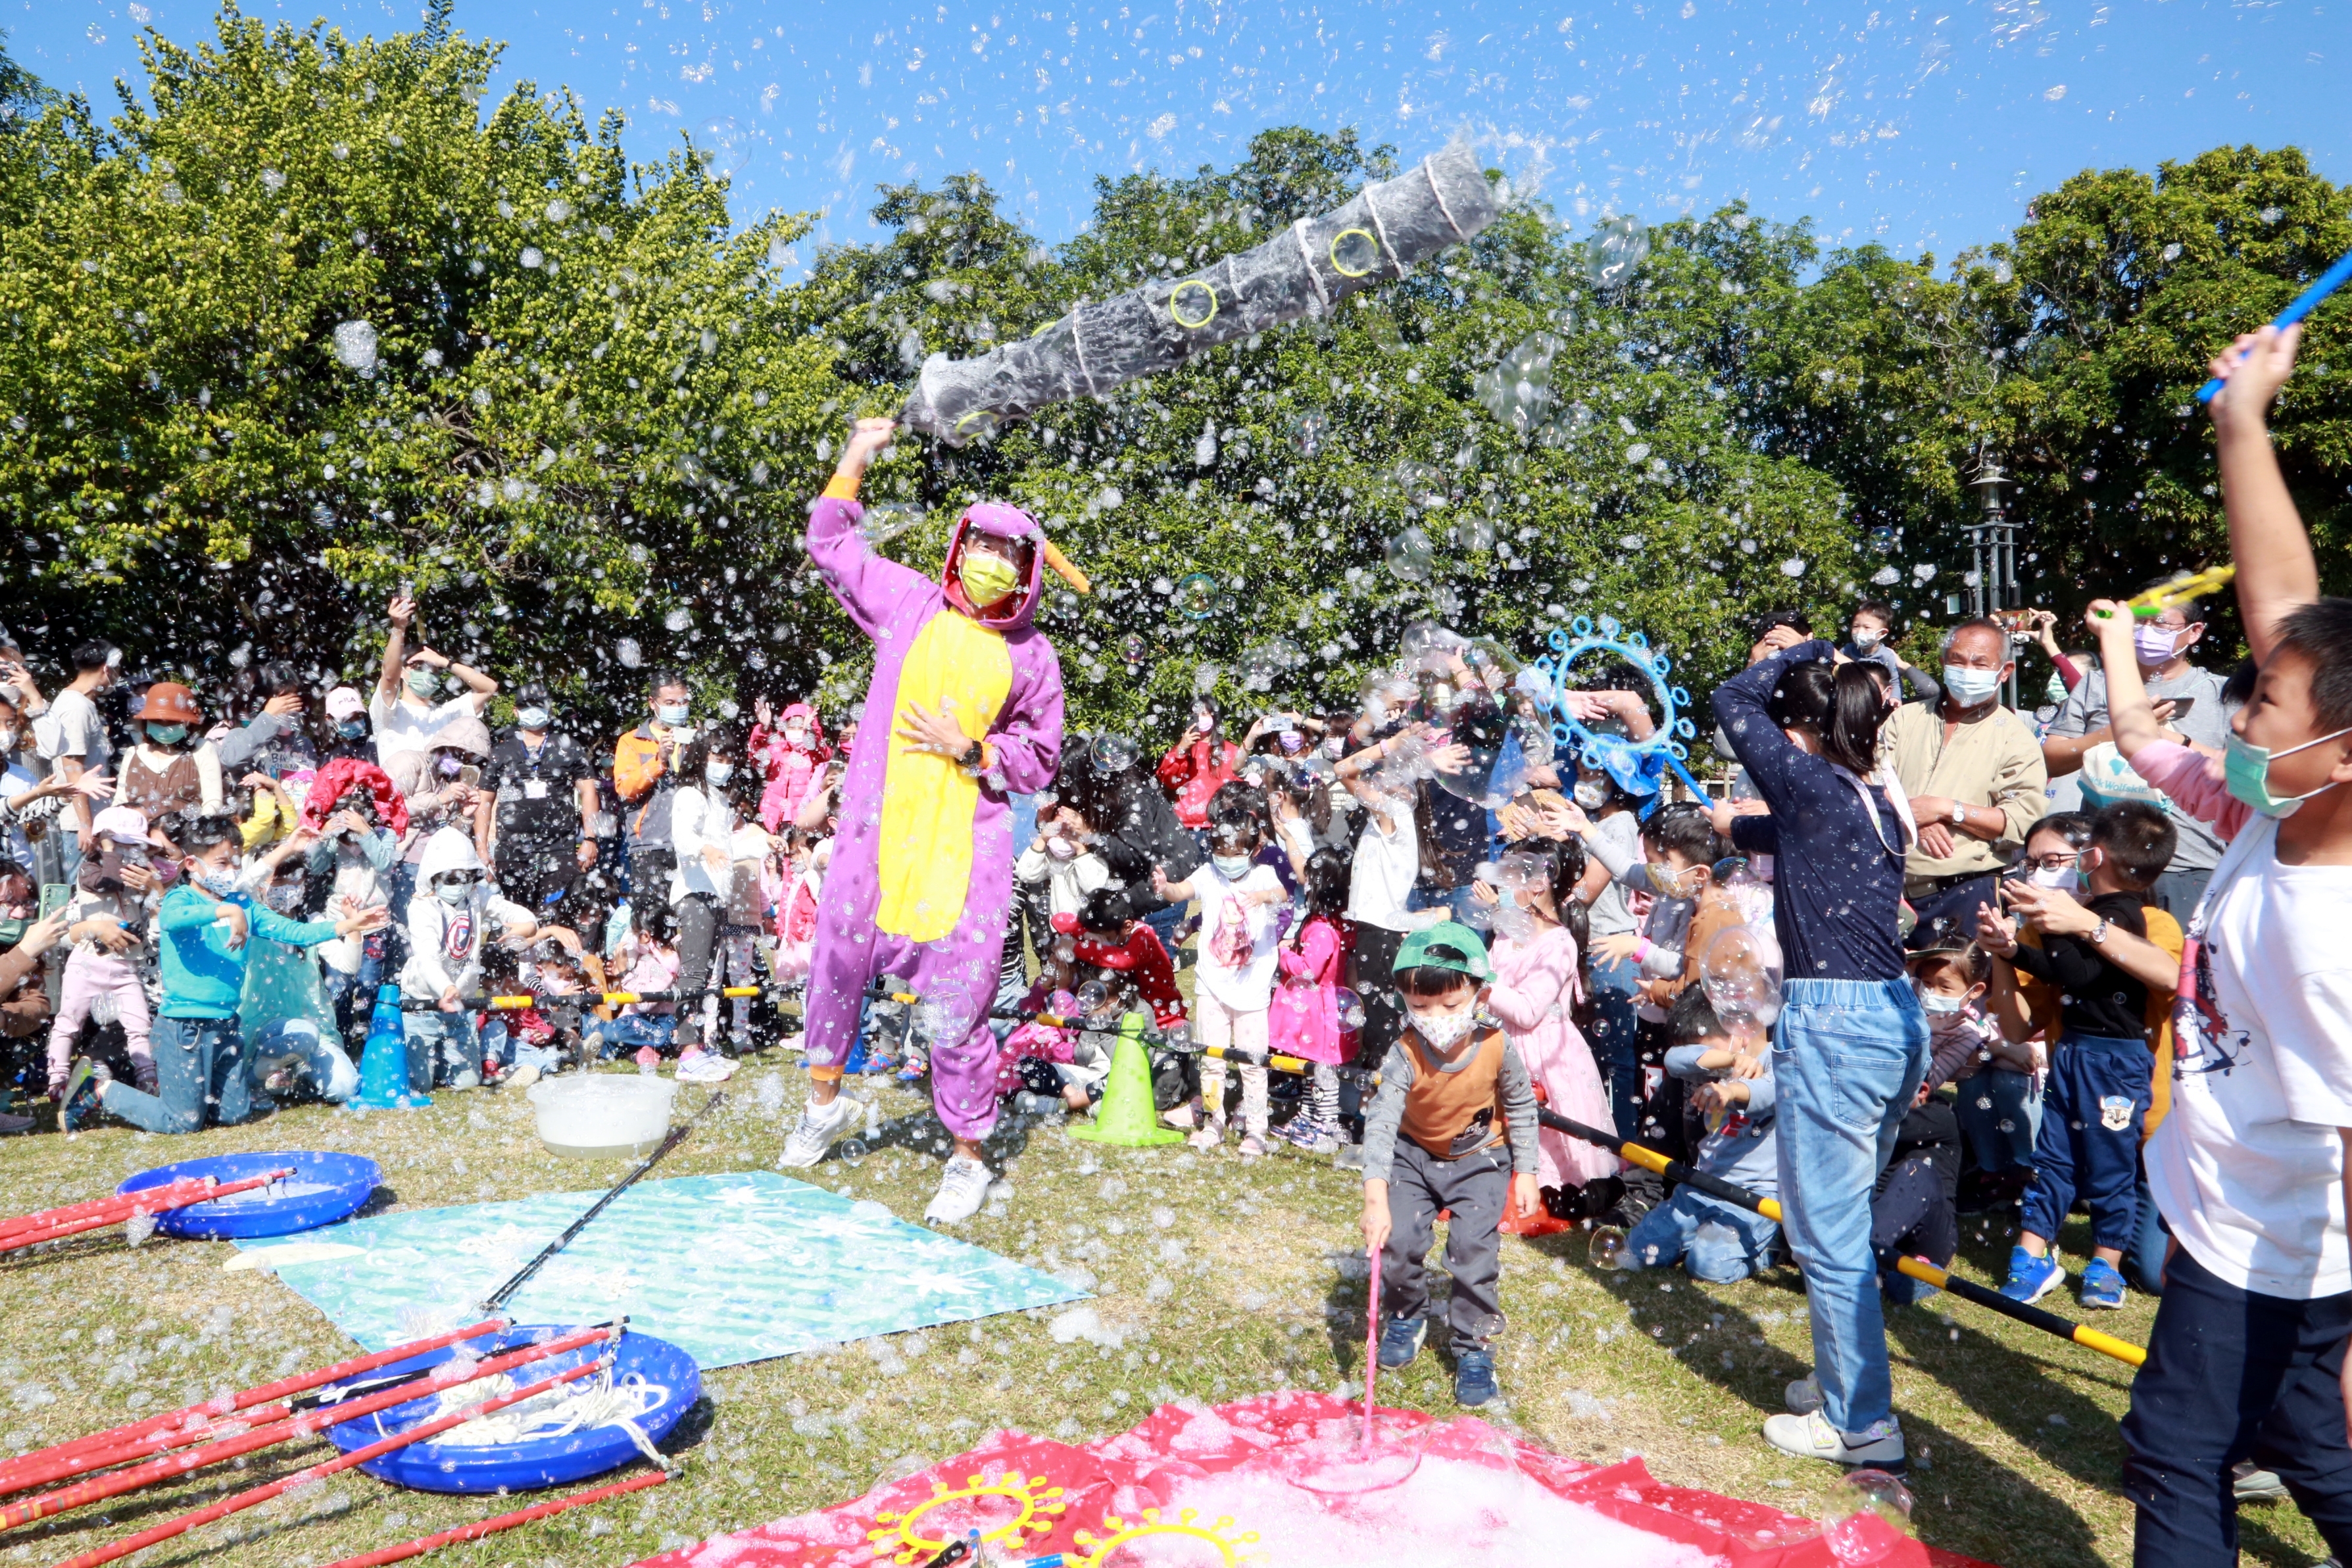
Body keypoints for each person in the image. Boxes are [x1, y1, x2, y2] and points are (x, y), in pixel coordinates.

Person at [2082, 325, 2352, 1565]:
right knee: (2309, 1451)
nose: (2238, 715)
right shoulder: (2277, 809)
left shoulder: (2331, 932)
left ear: (2342, 751)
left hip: (2277, 1246)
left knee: (2177, 1453)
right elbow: (2283, 605)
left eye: (2264, 706)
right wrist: (2243, 417)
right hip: (2237, 1218)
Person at [783, 416, 1076, 1227]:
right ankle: (823, 1103)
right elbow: (832, 546)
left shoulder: (1034, 657)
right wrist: (856, 453)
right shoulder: (910, 603)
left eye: (1008, 555)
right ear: (957, 549)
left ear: (1029, 571)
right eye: (979, 546)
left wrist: (974, 747)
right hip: (876, 834)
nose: (989, 564)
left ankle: (967, 1154)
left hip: (964, 851)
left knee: (958, 1001)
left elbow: (1041, 758)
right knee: (836, 962)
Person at [1713, 637, 1926, 1469]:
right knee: (1839, 1223)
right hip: (1891, 1016)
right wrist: (1732, 825)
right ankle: (1846, 1381)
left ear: (1798, 729)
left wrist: (1804, 648)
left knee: (1827, 1231)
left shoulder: (1808, 780)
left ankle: (1860, 1422)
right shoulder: (1870, 797)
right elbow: (1783, 833)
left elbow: (1731, 698)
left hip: (1837, 1024)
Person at [57, 812, 386, 1134]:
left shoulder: (243, 903)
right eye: (221, 863)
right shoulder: (178, 899)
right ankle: (99, 1090)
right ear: (191, 865)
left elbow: (295, 932)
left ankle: (199, 1101)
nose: (231, 871)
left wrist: (348, 925)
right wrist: (227, 910)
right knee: (182, 1121)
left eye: (235, 862)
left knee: (234, 1114)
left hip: (227, 1025)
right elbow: (173, 921)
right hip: (184, 1028)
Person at [1978, 801, 2178, 1309]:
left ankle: (2105, 1262)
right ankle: (2032, 1253)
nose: (2041, 874)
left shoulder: (2139, 919)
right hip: (2072, 1058)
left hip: (2127, 1082)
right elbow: (2025, 1019)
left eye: (2053, 861)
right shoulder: (2065, 918)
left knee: (2114, 1175)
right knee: (2052, 1156)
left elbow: (2084, 974)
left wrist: (2057, 924)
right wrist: (2007, 952)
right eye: (2033, 863)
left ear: (2091, 855)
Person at [1358, 921, 1541, 1409]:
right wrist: (1376, 1198)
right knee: (1398, 1240)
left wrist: (1527, 1169)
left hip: (1481, 1160)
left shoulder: (1498, 1046)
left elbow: (1522, 1106)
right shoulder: (1404, 1053)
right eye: (1419, 1006)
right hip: (1412, 1156)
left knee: (1473, 1253)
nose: (1434, 1016)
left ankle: (1474, 1346)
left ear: (1479, 993)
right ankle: (1407, 1314)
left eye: (1450, 1004)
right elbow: (1380, 1124)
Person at [2041, 581, 2236, 918]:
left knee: (2178, 969)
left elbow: (2239, 773)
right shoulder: (2096, 684)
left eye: (2160, 623)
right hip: (2102, 868)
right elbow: (2051, 759)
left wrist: (2161, 737)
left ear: (2195, 632)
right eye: (2139, 621)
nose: (2147, 631)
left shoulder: (2222, 694)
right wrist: (2115, 733)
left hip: (2188, 869)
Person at [1876, 617, 2050, 939]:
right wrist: (1916, 817)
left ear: (2005, 671)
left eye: (1980, 663)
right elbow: (1869, 779)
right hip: (1890, 892)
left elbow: (2022, 821)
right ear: (1943, 663)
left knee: (1962, 988)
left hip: (1967, 894)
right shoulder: (1904, 719)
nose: (1967, 670)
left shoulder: (2015, 737)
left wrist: (1948, 809)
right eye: (1957, 660)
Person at [1475, 838, 1619, 1210]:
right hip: (1503, 1046)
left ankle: (1554, 1190)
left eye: (1509, 878)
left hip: (1545, 1057)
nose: (1501, 888)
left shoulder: (1559, 943)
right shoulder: (1509, 933)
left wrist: (1478, 983)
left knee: (1552, 1151)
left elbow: (1527, 1011)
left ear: (1538, 884)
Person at [1153, 782, 1288, 1156]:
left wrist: (1263, 897)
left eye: (1235, 851)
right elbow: (1181, 892)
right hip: (1211, 984)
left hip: (1252, 989)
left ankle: (1257, 1130)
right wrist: (1165, 888)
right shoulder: (1210, 874)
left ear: (1253, 849)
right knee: (1211, 1059)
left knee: (1253, 1063)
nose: (1227, 858)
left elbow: (1283, 895)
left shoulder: (1262, 876)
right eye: (1220, 851)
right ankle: (1214, 1122)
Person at [1626, 986, 1780, 1281]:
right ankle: (1701, 1238)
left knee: (1706, 1266)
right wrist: (1728, 1060)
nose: (1705, 1059)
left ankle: (1767, 1251)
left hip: (1756, 1197)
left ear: (1738, 1030)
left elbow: (1767, 1093)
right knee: (1642, 1249)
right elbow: (1673, 1059)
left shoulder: (1777, 1057)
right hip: (1702, 1187)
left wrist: (1729, 1090)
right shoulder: (1722, 1061)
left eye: (1709, 1048)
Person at [398, 826, 538, 1091]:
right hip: (422, 1002)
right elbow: (427, 958)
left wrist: (527, 926)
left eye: (468, 877)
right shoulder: (421, 907)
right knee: (421, 1083)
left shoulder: (475, 896)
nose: (460, 885)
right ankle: (427, 1061)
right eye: (452, 879)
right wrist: (445, 988)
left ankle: (442, 1062)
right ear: (433, 876)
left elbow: (514, 912)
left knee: (467, 1082)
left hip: (461, 1005)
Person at [44, 806, 159, 1103]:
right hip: (87, 963)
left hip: (124, 967)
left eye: (137, 845)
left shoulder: (140, 873)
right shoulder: (90, 869)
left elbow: (159, 892)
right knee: (69, 1022)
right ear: (103, 842)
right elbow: (107, 882)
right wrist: (109, 848)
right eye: (125, 844)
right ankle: (57, 1079)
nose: (133, 851)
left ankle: (148, 1078)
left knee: (139, 1025)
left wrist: (153, 886)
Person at [300, 760, 406, 1047]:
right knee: (338, 984)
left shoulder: (384, 835)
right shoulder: (337, 840)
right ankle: (341, 1037)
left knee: (368, 984)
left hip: (375, 923)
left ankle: (368, 1039)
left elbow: (384, 864)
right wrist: (324, 837)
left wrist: (366, 832)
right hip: (340, 922)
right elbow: (318, 868)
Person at [483, 683, 599, 924]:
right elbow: (485, 801)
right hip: (512, 854)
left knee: (559, 920)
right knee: (516, 923)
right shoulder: (501, 751)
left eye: (538, 705)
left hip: (559, 851)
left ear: (549, 709)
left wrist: (590, 838)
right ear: (515, 711)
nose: (533, 710)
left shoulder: (569, 747)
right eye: (526, 706)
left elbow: (588, 792)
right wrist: (482, 848)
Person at [666, 722, 745, 1076]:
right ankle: (688, 1052)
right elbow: (682, 836)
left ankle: (703, 1044)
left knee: (710, 977)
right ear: (700, 756)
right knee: (694, 973)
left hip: (715, 893)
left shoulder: (717, 797)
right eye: (717, 755)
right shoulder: (690, 794)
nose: (724, 762)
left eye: (729, 756)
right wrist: (706, 847)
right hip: (696, 891)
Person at [1269, 846, 1354, 1154]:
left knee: (1323, 1072)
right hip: (1321, 1008)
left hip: (1319, 1012)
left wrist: (1285, 954)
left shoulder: (1321, 929)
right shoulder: (1336, 923)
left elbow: (1309, 970)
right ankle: (1308, 1116)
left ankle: (1327, 1123)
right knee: (1310, 1067)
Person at [372, 592, 498, 775]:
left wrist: (446, 663)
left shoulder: (446, 715)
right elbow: (389, 676)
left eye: (432, 668)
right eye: (417, 666)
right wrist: (399, 628)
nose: (426, 672)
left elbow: (489, 689)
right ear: (403, 671)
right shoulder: (389, 713)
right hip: (400, 801)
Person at [614, 672, 697, 931]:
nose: (678, 708)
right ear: (653, 703)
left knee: (690, 923)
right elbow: (625, 790)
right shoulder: (632, 741)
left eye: (683, 702)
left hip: (692, 844)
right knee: (652, 924)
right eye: (670, 703)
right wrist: (659, 761)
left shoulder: (694, 739)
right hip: (650, 845)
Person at [34, 641, 117, 873]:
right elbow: (71, 766)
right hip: (78, 823)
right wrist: (85, 824)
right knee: (83, 891)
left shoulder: (84, 703)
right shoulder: (75, 707)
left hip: (90, 816)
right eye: (118, 670)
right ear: (106, 669)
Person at [116, 683, 225, 820]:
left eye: (173, 722)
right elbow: (120, 803)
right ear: (147, 721)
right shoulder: (133, 753)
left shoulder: (202, 749)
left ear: (187, 723)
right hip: (136, 835)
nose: (165, 727)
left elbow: (213, 802)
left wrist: (196, 834)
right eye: (158, 721)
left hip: (184, 835)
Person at [1155, 697, 1242, 839]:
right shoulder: (1182, 749)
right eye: (1195, 715)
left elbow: (1239, 791)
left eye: (1204, 714)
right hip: (1184, 826)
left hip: (1219, 825)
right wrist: (1181, 750)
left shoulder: (1230, 750)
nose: (1200, 719)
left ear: (1214, 716)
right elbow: (1168, 780)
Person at [750, 699, 832, 834]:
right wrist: (764, 729)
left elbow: (823, 753)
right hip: (773, 821)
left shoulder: (815, 755)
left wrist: (810, 731)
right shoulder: (777, 751)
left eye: (800, 728)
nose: (796, 731)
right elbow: (756, 755)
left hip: (805, 821)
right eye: (791, 727)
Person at [1842, 599, 1941, 704]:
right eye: (1856, 626)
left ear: (1882, 633)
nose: (1860, 632)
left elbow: (1895, 682)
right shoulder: (1848, 650)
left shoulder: (1886, 656)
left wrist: (1895, 697)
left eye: (1867, 628)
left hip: (1878, 703)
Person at [320, 685, 378, 767]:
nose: (355, 723)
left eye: (358, 717)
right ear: (329, 719)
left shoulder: (378, 746)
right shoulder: (328, 759)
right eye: (346, 720)